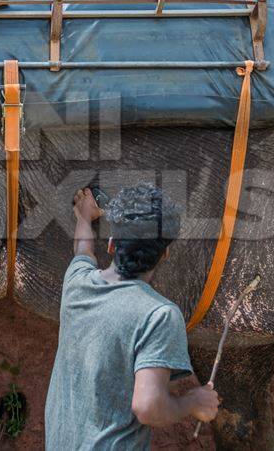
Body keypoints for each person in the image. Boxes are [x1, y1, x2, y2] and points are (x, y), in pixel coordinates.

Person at [44, 183, 220, 450]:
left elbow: (83, 251)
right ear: (165, 254)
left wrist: (83, 217)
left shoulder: (77, 284)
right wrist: (193, 401)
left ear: (113, 244)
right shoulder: (159, 315)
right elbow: (148, 407)